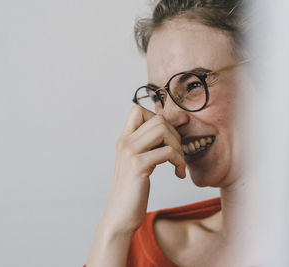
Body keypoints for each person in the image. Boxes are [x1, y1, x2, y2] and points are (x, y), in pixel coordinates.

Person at [85, 0, 250, 266]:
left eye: (194, 84)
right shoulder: (133, 248)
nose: (169, 118)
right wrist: (114, 228)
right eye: (158, 97)